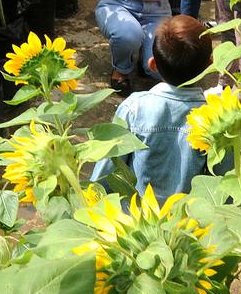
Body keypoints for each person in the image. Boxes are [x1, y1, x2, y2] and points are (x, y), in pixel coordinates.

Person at [89, 15, 214, 198]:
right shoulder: (214, 117)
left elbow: (107, 170)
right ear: (209, 65)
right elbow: (222, 183)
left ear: (153, 64)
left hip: (137, 220)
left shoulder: (133, 108)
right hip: (190, 222)